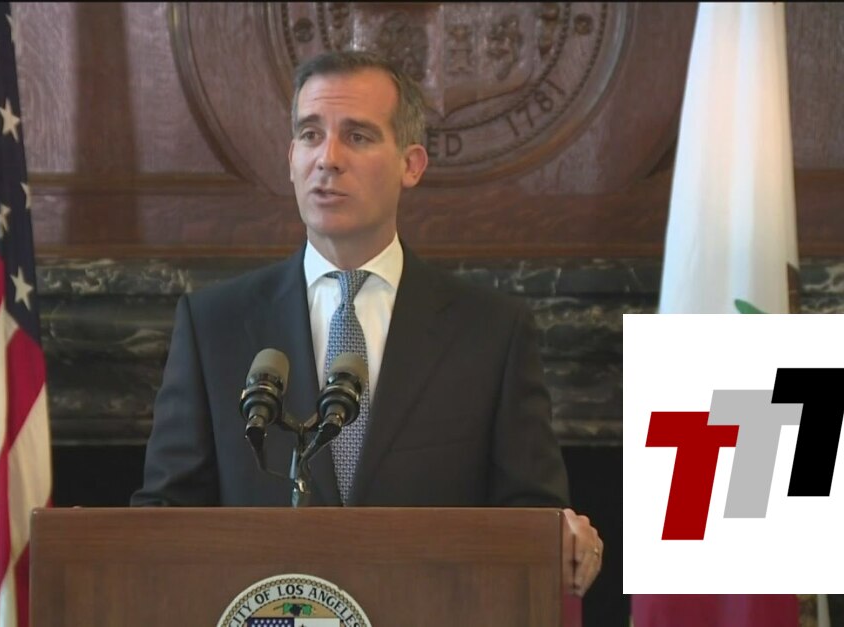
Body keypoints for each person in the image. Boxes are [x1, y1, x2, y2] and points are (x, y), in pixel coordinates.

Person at [131, 50, 603, 596]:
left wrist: (562, 536)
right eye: (310, 135)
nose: (327, 158)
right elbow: (163, 516)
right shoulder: (213, 324)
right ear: (290, 158)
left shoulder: (492, 332)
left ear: (412, 165)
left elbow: (533, 518)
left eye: (357, 136)